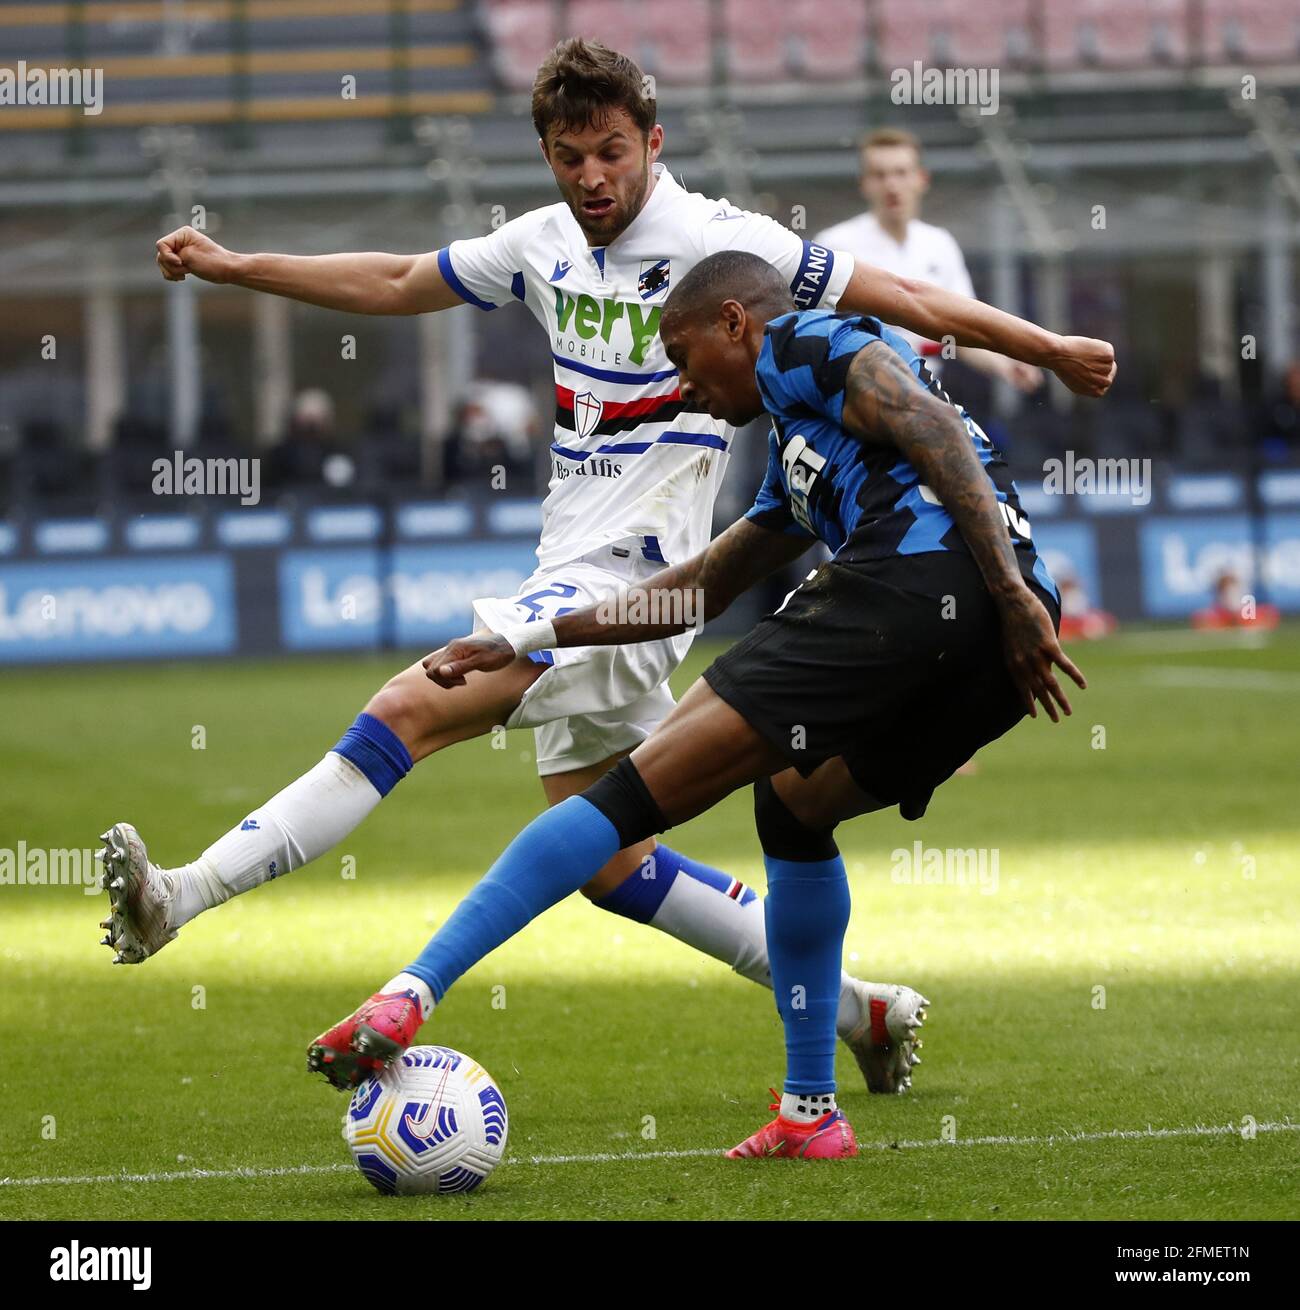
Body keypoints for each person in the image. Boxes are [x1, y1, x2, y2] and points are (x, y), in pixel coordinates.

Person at [102, 39, 1112, 1097]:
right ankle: (859, 1007)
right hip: (572, 558)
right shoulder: (536, 244)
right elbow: (401, 278)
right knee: (607, 852)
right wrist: (233, 264)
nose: (591, 177)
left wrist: (1047, 348)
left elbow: (902, 296)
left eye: (612, 152)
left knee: (409, 706)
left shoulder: (727, 243)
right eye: (569, 154)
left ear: (651, 143)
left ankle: (185, 893)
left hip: (643, 571)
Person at [306, 250, 1086, 1159]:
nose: (683, 386)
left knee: (622, 800)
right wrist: (530, 638)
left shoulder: (804, 341)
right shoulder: (800, 453)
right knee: (794, 806)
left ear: (734, 324)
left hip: (926, 585)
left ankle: (413, 990)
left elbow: (934, 424)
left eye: (684, 358)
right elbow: (697, 592)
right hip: (990, 643)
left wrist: (1009, 594)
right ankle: (811, 1115)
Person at [817, 128, 1043, 393]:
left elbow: (962, 330)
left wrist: (1005, 366)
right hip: (853, 398)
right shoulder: (834, 245)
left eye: (900, 173)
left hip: (925, 398)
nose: (891, 185)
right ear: (864, 183)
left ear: (921, 178)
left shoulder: (939, 243)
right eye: (879, 175)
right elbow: (816, 335)